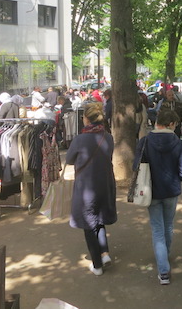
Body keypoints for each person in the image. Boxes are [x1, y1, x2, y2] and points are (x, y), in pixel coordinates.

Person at [133, 110, 182, 285]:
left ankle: (163, 271)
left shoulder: (145, 141)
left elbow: (136, 166)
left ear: (156, 122)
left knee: (157, 229)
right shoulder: (177, 142)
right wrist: (176, 178)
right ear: (171, 123)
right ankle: (164, 256)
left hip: (151, 191)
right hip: (171, 190)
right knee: (168, 225)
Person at [66, 103, 117, 276]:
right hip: (105, 182)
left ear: (86, 119)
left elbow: (69, 160)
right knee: (100, 218)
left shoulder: (79, 139)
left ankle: (97, 265)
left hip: (87, 185)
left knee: (88, 223)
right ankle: (105, 254)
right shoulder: (108, 137)